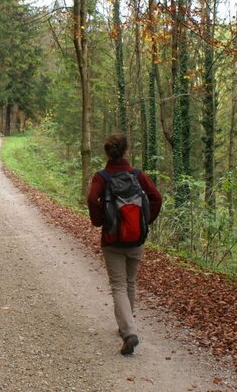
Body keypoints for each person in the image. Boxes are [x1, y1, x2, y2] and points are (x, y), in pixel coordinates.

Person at [86, 133, 162, 355]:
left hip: (112, 239)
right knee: (129, 282)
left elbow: (92, 199)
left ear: (107, 152)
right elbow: (156, 197)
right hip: (136, 238)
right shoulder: (137, 175)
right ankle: (125, 326)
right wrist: (144, 222)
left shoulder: (102, 177)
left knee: (118, 285)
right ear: (126, 150)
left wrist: (100, 220)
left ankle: (128, 331)